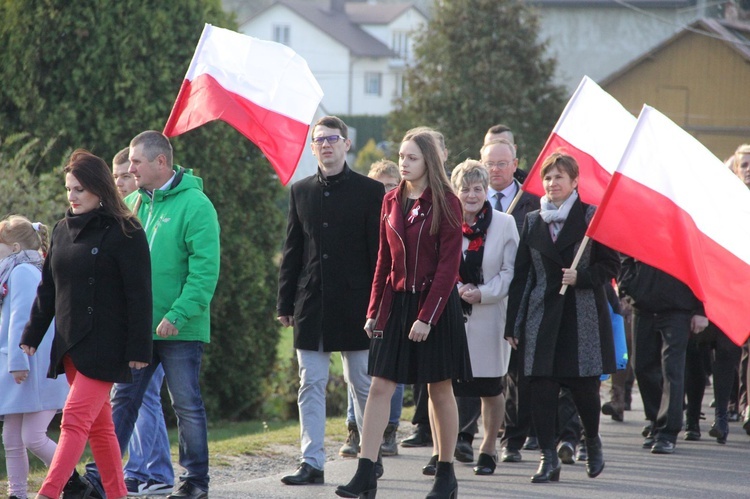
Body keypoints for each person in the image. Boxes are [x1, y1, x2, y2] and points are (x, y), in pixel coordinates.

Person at [83, 131, 220, 499]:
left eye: (136, 161)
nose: (129, 168)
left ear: (161, 162)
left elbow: (205, 272)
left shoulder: (197, 205)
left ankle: (194, 482)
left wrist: (177, 314)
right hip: (138, 330)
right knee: (122, 401)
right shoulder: (131, 205)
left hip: (181, 329)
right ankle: (99, 478)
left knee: (186, 404)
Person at [336, 130, 471, 499]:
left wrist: (427, 316)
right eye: (400, 156)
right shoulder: (391, 200)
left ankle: (446, 476)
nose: (403, 163)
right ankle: (366, 472)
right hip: (396, 306)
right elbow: (383, 260)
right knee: (380, 386)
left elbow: (447, 268)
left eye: (411, 157)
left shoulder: (448, 202)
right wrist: (374, 310)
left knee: (439, 389)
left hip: (436, 307)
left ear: (429, 160)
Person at [20, 149, 153, 499]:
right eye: (68, 189)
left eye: (79, 189)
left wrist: (140, 347)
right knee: (101, 428)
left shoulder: (127, 231)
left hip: (106, 346)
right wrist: (32, 334)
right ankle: (117, 494)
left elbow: (140, 295)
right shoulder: (63, 230)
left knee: (74, 421)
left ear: (98, 188)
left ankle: (48, 493)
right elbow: (49, 288)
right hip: (70, 345)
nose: (72, 196)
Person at [277, 116, 384, 486]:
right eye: (319, 140)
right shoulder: (301, 190)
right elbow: (293, 249)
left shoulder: (371, 192)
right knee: (311, 382)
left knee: (362, 383)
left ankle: (370, 456)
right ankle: (312, 461)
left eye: (332, 139)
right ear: (312, 147)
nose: (325, 145)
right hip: (311, 303)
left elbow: (379, 256)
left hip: (357, 306)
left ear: (346, 144)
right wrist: (284, 303)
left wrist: (378, 304)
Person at [504, 152, 620, 483]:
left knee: (584, 388)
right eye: (548, 178)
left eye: (559, 177)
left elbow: (612, 266)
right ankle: (547, 457)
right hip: (541, 317)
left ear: (574, 182)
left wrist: (581, 278)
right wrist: (514, 323)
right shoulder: (532, 221)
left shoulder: (591, 218)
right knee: (540, 387)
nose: (552, 183)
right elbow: (522, 276)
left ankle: (593, 443)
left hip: (580, 317)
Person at [437, 159, 518, 477]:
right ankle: (441, 450)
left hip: (490, 315)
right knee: (445, 386)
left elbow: (510, 271)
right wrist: (456, 288)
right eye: (465, 189)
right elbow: (439, 263)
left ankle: (487, 449)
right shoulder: (446, 222)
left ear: (486, 191)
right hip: (453, 315)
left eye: (478, 188)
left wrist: (482, 292)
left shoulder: (504, 223)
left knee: (490, 388)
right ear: (455, 192)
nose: (471, 195)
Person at [112, 147, 174, 496]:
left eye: (127, 174)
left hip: (153, 320)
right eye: (118, 176)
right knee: (139, 395)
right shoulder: (127, 211)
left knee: (144, 395)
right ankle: (158, 470)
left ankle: (140, 470)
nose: (123, 182)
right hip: (126, 321)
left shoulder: (147, 210)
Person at [479, 137, 541, 463]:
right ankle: (465, 436)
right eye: (490, 163)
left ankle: (512, 439)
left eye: (502, 163)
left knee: (516, 372)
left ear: (515, 165)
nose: (495, 170)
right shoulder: (472, 199)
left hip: (520, 297)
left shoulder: (533, 201)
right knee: (479, 372)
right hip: (480, 301)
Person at [0, 216, 69, 499]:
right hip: (20, 367)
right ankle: (17, 493)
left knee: (33, 437)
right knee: (12, 437)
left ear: (14, 246)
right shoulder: (13, 270)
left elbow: (21, 320)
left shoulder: (22, 272)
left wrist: (16, 361)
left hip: (30, 368)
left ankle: (73, 480)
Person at [340, 160, 404, 459]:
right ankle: (355, 427)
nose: (383, 193)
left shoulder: (403, 218)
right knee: (358, 370)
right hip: (361, 301)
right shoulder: (360, 216)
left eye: (389, 186)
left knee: (390, 368)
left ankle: (389, 429)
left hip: (394, 302)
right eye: (377, 187)